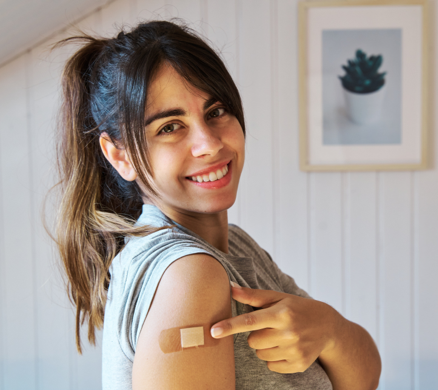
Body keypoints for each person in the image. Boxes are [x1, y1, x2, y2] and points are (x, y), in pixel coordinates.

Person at [54, 20, 381, 390]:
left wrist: (331, 329)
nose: (209, 143)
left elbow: (364, 376)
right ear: (120, 156)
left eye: (216, 112)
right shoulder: (189, 275)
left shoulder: (238, 247)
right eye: (169, 127)